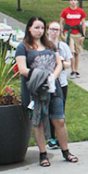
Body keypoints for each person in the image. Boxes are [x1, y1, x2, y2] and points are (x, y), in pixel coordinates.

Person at [15, 16, 75, 166]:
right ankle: (43, 154)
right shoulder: (23, 47)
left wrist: (52, 78)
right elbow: (22, 69)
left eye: (42, 28)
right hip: (35, 90)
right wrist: (40, 78)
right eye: (36, 27)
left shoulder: (49, 45)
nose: (39, 31)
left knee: (59, 120)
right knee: (39, 121)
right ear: (29, 28)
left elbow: (59, 64)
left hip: (53, 88)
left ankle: (65, 150)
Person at [45, 21, 73, 150]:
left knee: (59, 109)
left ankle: (59, 136)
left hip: (61, 82)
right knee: (48, 109)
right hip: (47, 82)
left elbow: (68, 64)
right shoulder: (43, 46)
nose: (54, 32)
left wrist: (61, 62)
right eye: (52, 29)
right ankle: (51, 136)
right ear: (48, 30)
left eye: (57, 30)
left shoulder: (63, 46)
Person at [59, 0, 87, 78]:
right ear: (69, 2)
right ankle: (73, 70)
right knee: (72, 51)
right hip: (69, 33)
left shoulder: (80, 11)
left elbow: (83, 23)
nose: (73, 2)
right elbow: (61, 22)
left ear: (77, 1)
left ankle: (76, 69)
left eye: (75, 0)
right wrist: (62, 33)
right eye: (71, 0)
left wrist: (83, 35)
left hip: (77, 33)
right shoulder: (65, 11)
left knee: (77, 53)